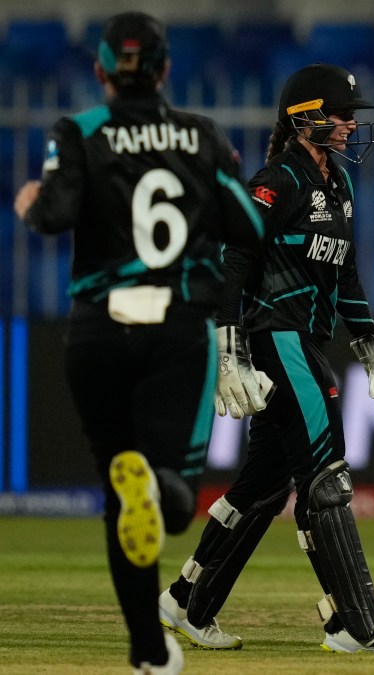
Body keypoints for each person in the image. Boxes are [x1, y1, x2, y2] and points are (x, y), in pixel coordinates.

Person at [13, 11, 267, 674]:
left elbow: (54, 215)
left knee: (119, 495)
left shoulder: (78, 131)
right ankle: (157, 485)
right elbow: (248, 226)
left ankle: (148, 651)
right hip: (178, 326)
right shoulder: (200, 135)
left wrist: (31, 201)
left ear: (100, 70)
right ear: (165, 70)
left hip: (98, 326)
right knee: (171, 500)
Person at [157, 63, 374, 655]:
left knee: (263, 485)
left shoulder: (340, 186)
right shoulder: (278, 180)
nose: (351, 125)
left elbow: (346, 278)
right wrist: (228, 348)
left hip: (306, 340)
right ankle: (356, 625)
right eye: (341, 115)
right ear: (306, 118)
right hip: (277, 339)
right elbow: (234, 257)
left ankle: (186, 601)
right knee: (326, 477)